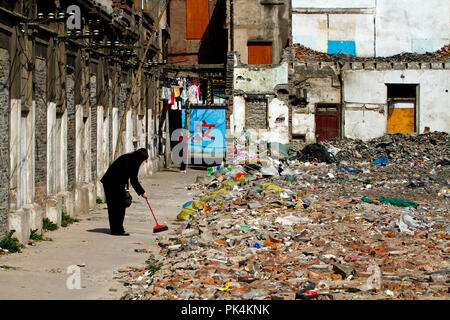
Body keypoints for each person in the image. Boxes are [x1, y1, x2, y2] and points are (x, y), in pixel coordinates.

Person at [100, 148, 149, 236]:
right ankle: (117, 230)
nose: (142, 163)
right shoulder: (133, 162)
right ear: (140, 159)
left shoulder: (128, 157)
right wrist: (142, 192)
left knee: (116, 206)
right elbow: (134, 180)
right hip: (112, 183)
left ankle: (116, 229)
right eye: (143, 161)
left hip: (113, 182)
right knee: (118, 206)